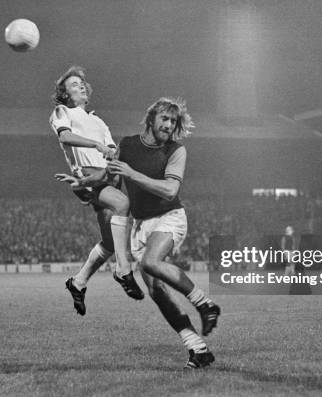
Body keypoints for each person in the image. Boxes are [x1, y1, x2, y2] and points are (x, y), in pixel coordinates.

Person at [107, 97, 221, 369]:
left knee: (150, 263)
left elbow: (170, 190)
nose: (169, 125)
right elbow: (113, 180)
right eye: (165, 119)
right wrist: (88, 181)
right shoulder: (127, 144)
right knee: (156, 291)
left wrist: (131, 174)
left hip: (169, 217)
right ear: (151, 118)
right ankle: (198, 348)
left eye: (173, 121)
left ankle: (205, 304)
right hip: (140, 224)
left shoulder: (175, 151)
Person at [50, 65, 144, 315]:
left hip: (107, 176)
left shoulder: (99, 121)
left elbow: (111, 152)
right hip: (88, 175)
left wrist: (114, 155)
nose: (79, 86)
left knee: (110, 243)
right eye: (73, 85)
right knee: (123, 205)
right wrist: (95, 145)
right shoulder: (62, 111)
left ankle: (78, 283)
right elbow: (65, 138)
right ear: (65, 94)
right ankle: (124, 271)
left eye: (81, 83)